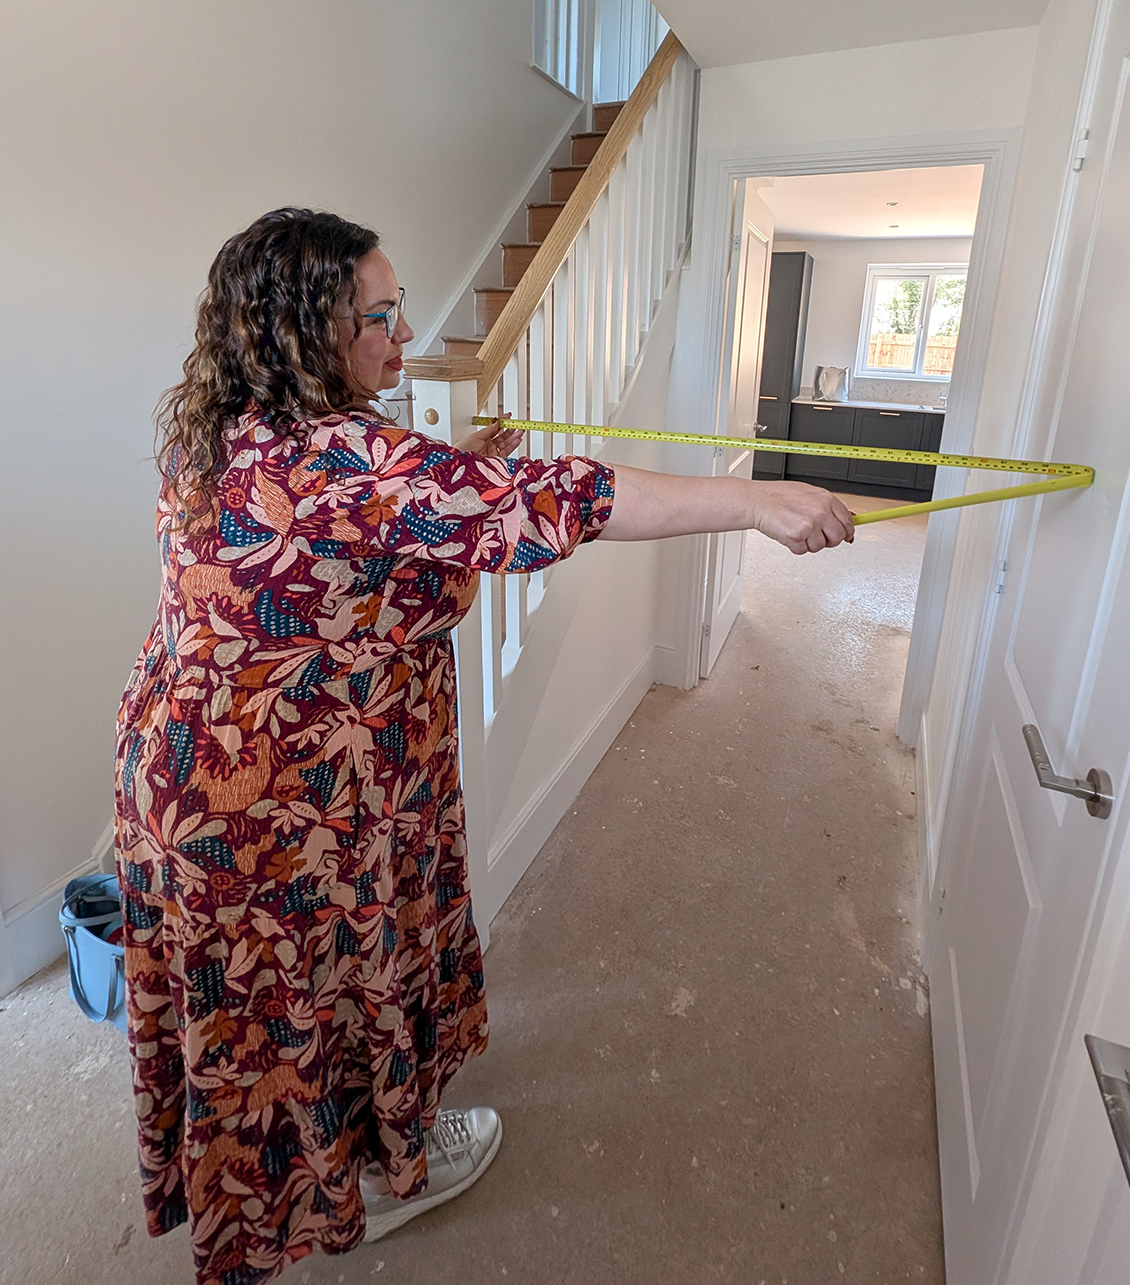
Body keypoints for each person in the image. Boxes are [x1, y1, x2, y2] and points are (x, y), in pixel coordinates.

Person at [114, 207, 855, 1285]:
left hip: (179, 781)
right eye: (378, 313)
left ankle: (338, 1166)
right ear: (304, 329)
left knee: (256, 1015)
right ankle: (370, 1177)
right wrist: (753, 501)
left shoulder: (212, 434)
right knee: (315, 997)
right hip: (283, 807)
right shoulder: (360, 461)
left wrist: (440, 473)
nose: (404, 332)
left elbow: (338, 545)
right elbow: (557, 501)